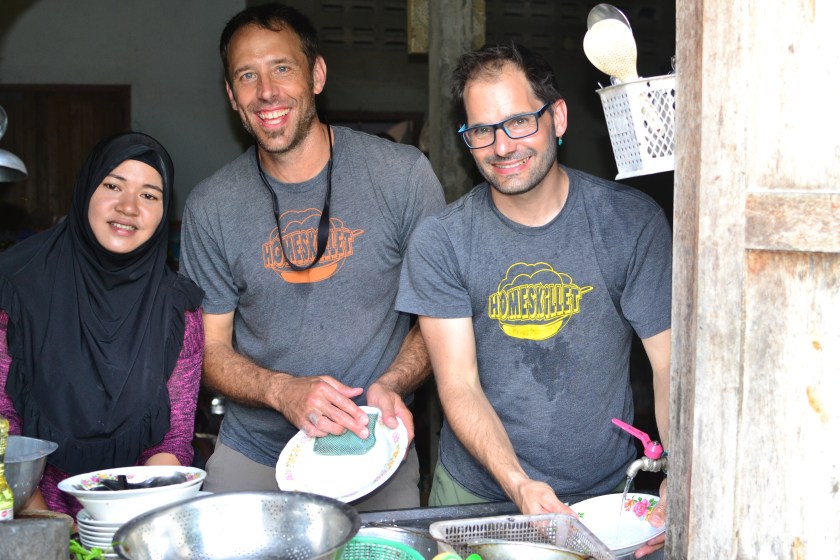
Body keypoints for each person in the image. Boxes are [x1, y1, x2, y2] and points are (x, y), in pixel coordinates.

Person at [396, 42, 670, 555]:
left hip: (606, 498)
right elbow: (459, 385)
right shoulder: (442, 241)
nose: (502, 147)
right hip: (477, 495)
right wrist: (517, 482)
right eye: (481, 130)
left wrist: (684, 471)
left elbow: (669, 365)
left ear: (557, 118)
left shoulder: (630, 224)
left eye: (519, 122)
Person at [179, 3, 445, 510]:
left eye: (282, 67)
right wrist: (280, 391)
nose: (266, 91)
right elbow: (209, 349)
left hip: (373, 447)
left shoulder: (401, 176)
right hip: (255, 454)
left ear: (317, 75)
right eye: (247, 76)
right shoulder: (211, 205)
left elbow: (441, 314)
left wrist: (391, 382)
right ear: (232, 96)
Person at [0, 132, 205, 517]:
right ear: (86, 191)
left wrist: (126, 523)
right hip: (24, 509)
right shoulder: (15, 286)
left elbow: (171, 439)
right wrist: (47, 521)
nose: (128, 207)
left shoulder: (177, 309)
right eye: (113, 186)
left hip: (135, 512)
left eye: (149, 195)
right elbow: (2, 424)